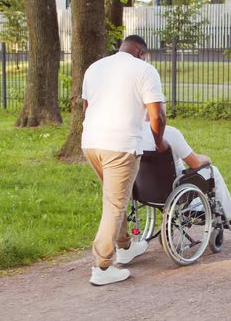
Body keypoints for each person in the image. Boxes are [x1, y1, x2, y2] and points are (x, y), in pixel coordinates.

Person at [82, 35, 168, 286]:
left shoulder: (95, 68)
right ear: (141, 52)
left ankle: (125, 246)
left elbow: (87, 107)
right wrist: (159, 141)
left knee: (114, 199)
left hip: (91, 143)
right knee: (115, 205)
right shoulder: (144, 70)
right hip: (120, 145)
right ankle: (102, 266)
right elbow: (158, 114)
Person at [139, 123, 231, 228]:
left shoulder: (133, 133)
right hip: (172, 188)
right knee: (212, 170)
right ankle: (229, 215)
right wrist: (206, 158)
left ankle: (196, 209)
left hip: (144, 191)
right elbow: (195, 163)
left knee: (187, 174)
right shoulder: (170, 133)